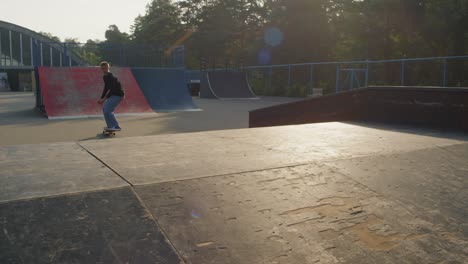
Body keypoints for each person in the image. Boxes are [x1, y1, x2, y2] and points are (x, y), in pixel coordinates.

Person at [97, 61, 125, 131]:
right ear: (101, 69)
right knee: (105, 109)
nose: (104, 70)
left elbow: (112, 90)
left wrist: (103, 99)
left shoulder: (111, 77)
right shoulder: (104, 77)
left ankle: (116, 126)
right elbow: (106, 88)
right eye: (102, 68)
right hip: (113, 95)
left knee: (108, 109)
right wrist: (101, 98)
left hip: (118, 95)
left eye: (105, 68)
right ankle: (110, 126)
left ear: (108, 68)